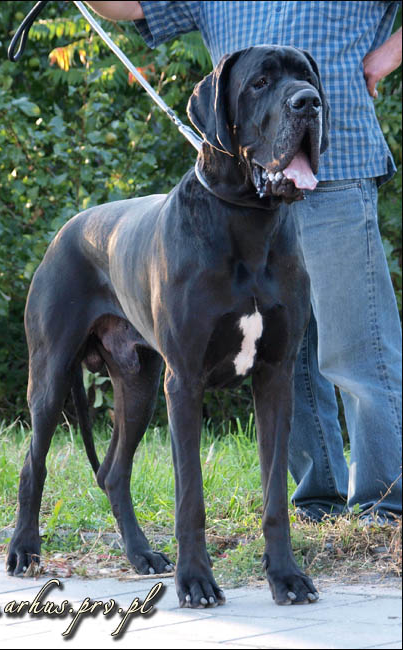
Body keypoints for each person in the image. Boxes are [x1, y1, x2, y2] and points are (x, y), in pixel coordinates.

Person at [86, 1, 402, 524]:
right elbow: (133, 6)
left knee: (357, 349)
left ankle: (385, 508)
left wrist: (386, 56)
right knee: (287, 364)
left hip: (337, 169)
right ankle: (317, 502)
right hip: (243, 189)